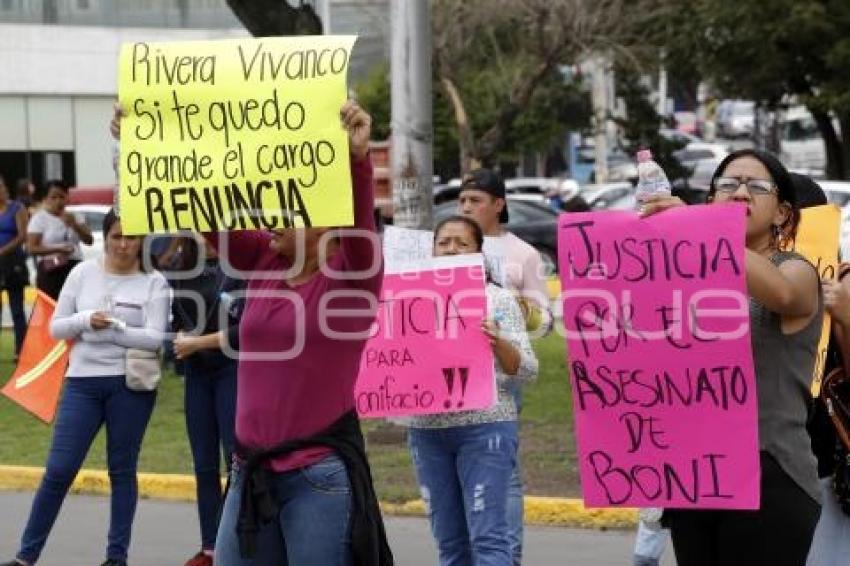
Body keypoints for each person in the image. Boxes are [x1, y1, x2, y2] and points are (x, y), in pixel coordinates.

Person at [112, 100, 393, 564]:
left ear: (329, 224)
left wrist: (357, 162)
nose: (274, 217)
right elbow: (207, 211)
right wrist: (147, 146)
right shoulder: (265, 262)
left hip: (316, 478)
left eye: (293, 209)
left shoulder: (352, 280)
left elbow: (362, 224)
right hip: (249, 473)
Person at [643, 149, 823, 565]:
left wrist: (703, 229)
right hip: (695, 472)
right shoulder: (685, 273)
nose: (740, 192)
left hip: (770, 473)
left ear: (781, 213)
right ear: (711, 200)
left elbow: (780, 294)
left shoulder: (796, 270)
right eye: (728, 184)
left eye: (756, 186)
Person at [2, 209, 170, 566]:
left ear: (143, 241)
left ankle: (116, 557)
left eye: (132, 237)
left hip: (131, 386)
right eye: (117, 236)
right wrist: (85, 320)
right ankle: (26, 556)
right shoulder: (82, 273)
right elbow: (56, 327)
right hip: (82, 383)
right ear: (106, 237)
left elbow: (156, 338)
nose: (124, 244)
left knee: (122, 470)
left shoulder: (154, 281)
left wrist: (115, 330)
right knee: (60, 468)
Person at [408, 215, 538, 565]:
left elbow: (527, 371)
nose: (451, 249)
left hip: (485, 432)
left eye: (461, 243)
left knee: (489, 540)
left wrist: (498, 342)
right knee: (450, 544)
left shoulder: (497, 300)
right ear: (432, 251)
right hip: (427, 433)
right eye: (444, 242)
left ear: (479, 254)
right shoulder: (408, 303)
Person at [457, 168, 551, 564]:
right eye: (462, 201)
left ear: (499, 205)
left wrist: (518, 310)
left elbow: (545, 322)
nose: (466, 207)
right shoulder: (446, 246)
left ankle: (505, 552)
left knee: (503, 472)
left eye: (475, 201)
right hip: (451, 374)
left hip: (500, 374)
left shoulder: (522, 254)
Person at [169, 235, 243, 566]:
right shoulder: (182, 270)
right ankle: (210, 548)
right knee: (204, 465)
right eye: (201, 229)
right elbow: (176, 320)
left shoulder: (240, 269)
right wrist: (181, 337)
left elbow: (245, 329)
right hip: (197, 377)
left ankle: (238, 543)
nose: (207, 236)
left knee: (236, 462)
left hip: (231, 371)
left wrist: (198, 343)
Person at [26, 179, 92, 299]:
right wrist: (58, 249)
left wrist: (74, 225)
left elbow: (89, 240)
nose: (58, 201)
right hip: (51, 269)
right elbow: (31, 248)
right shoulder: (39, 219)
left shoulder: (75, 216)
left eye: (61, 196)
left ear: (67, 197)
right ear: (45, 199)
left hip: (73, 266)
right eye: (53, 197)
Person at [0, 174, 30, 358]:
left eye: (1, 186)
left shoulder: (17, 208)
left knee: (16, 309)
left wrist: (3, 251)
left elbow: (23, 236)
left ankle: (21, 351)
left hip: (13, 263)